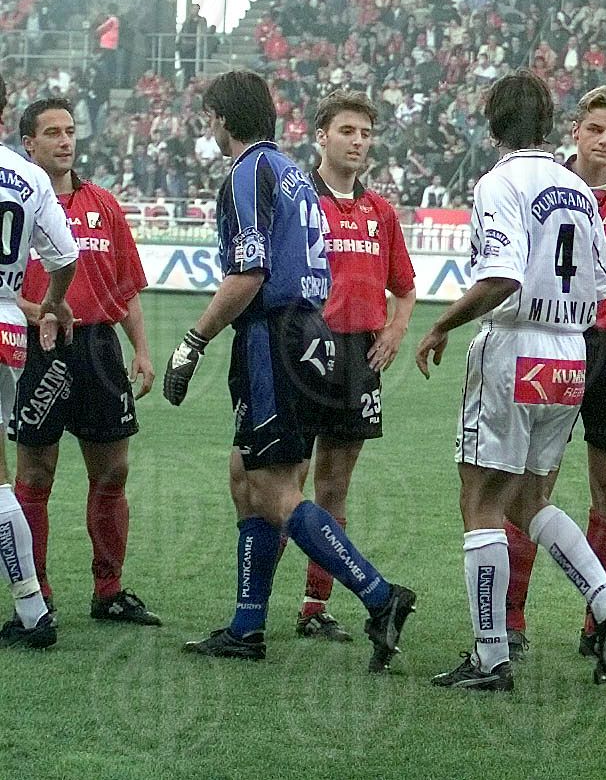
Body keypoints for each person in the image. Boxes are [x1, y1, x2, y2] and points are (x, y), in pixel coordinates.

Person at [162, 69, 415, 671]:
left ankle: (380, 596)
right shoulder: (295, 175)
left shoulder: (249, 172)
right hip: (307, 333)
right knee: (245, 475)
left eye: (209, 117)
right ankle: (247, 625)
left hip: (272, 338)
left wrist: (194, 341)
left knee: (275, 489)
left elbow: (248, 273)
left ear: (222, 119)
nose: (208, 126)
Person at [416, 70, 606, 692]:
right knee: (528, 501)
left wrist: (441, 325)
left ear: (493, 125)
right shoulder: (577, 189)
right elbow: (603, 281)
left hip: (514, 345)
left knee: (481, 501)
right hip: (569, 354)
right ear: (549, 125)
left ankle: (490, 656)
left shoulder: (499, 183)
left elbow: (501, 277)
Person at [502, 86, 606, 661]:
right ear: (574, 131)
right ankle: (512, 619)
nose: (604, 140)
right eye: (594, 129)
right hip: (557, 340)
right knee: (533, 487)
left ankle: (600, 624)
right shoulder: (547, 186)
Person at [11, 98, 160, 627]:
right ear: (28, 143)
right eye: (52, 132)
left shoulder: (104, 204)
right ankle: (37, 594)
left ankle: (109, 590)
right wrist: (38, 310)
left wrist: (141, 349)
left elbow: (127, 286)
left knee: (113, 470)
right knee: (35, 475)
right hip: (38, 348)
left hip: (98, 349)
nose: (65, 140)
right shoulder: (17, 206)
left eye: (70, 131)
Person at [293, 91, 416, 641]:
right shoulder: (300, 201)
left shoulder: (380, 212)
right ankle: (252, 606)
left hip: (358, 359)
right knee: (286, 485)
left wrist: (394, 331)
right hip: (303, 354)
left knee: (334, 487)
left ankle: (314, 605)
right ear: (321, 136)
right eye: (347, 131)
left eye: (365, 134)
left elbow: (405, 289)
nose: (358, 142)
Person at [0, 74, 78, 649]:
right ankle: (31, 607)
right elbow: (65, 257)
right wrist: (53, 302)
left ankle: (32, 609)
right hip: (6, 326)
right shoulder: (26, 176)